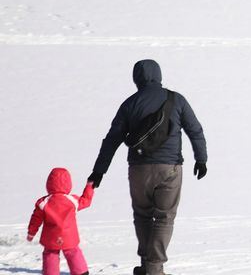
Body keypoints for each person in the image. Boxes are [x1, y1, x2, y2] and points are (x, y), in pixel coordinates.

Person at [89, 59, 207, 275]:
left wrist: (99, 170)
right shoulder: (177, 100)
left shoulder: (129, 104)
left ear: (136, 78)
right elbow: (195, 130)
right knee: (164, 217)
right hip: (169, 168)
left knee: (142, 215)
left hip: (139, 169)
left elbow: (112, 139)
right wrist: (201, 159)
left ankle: (146, 265)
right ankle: (154, 268)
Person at [27, 168, 94, 275]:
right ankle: (81, 272)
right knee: (73, 252)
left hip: (51, 237)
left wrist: (31, 232)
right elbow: (86, 201)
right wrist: (89, 186)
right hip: (69, 236)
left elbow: (35, 219)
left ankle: (50, 273)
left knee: (50, 253)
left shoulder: (43, 202)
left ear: (49, 184)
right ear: (68, 184)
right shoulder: (72, 201)